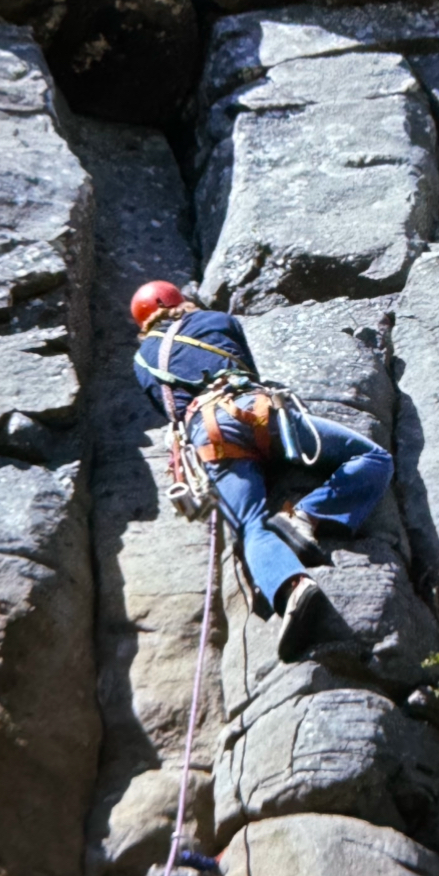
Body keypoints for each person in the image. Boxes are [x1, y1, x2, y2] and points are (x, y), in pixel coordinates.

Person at [131, 280, 394, 660]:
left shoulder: (142, 360)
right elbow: (247, 367)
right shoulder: (215, 320)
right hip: (256, 409)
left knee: (250, 526)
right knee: (372, 459)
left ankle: (294, 587)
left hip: (210, 436)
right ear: (179, 301)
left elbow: (169, 409)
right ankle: (306, 516)